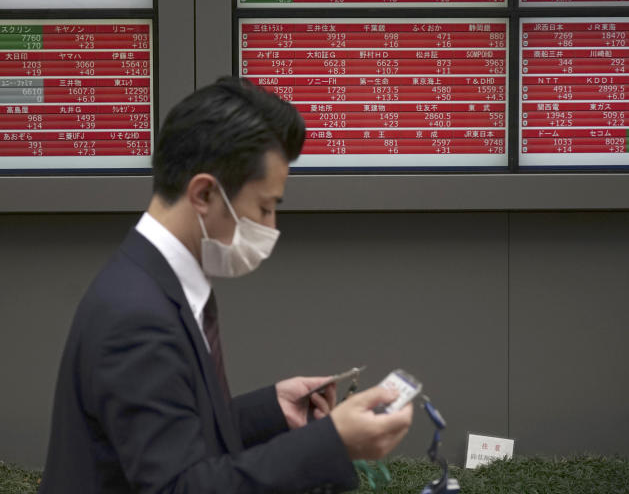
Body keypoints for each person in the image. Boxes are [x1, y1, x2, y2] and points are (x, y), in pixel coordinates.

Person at [39, 77, 413, 493]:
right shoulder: (138, 319)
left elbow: (174, 434)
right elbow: (181, 486)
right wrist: (332, 442)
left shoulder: (159, 284)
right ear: (203, 193)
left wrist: (271, 411)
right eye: (265, 208)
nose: (271, 227)